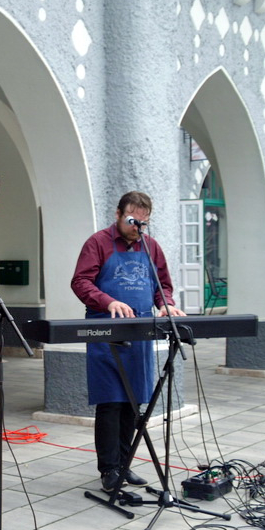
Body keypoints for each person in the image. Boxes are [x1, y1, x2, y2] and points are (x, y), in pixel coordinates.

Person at [70, 191, 186, 493]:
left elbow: (163, 286)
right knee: (111, 402)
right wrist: (107, 301)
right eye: (133, 220)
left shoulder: (152, 247)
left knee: (134, 404)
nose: (138, 227)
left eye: (143, 222)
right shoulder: (97, 243)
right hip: (105, 333)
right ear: (118, 214)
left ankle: (125, 464)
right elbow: (80, 282)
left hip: (140, 333)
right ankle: (108, 468)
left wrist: (166, 304)